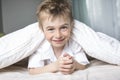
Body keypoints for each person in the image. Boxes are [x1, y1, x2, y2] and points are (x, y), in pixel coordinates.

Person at [28, 0, 89, 75]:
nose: (58, 35)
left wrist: (75, 65)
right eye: (51, 29)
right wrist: (55, 66)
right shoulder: (40, 46)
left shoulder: (74, 43)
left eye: (63, 27)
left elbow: (83, 66)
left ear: (71, 25)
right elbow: (32, 71)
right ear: (42, 29)